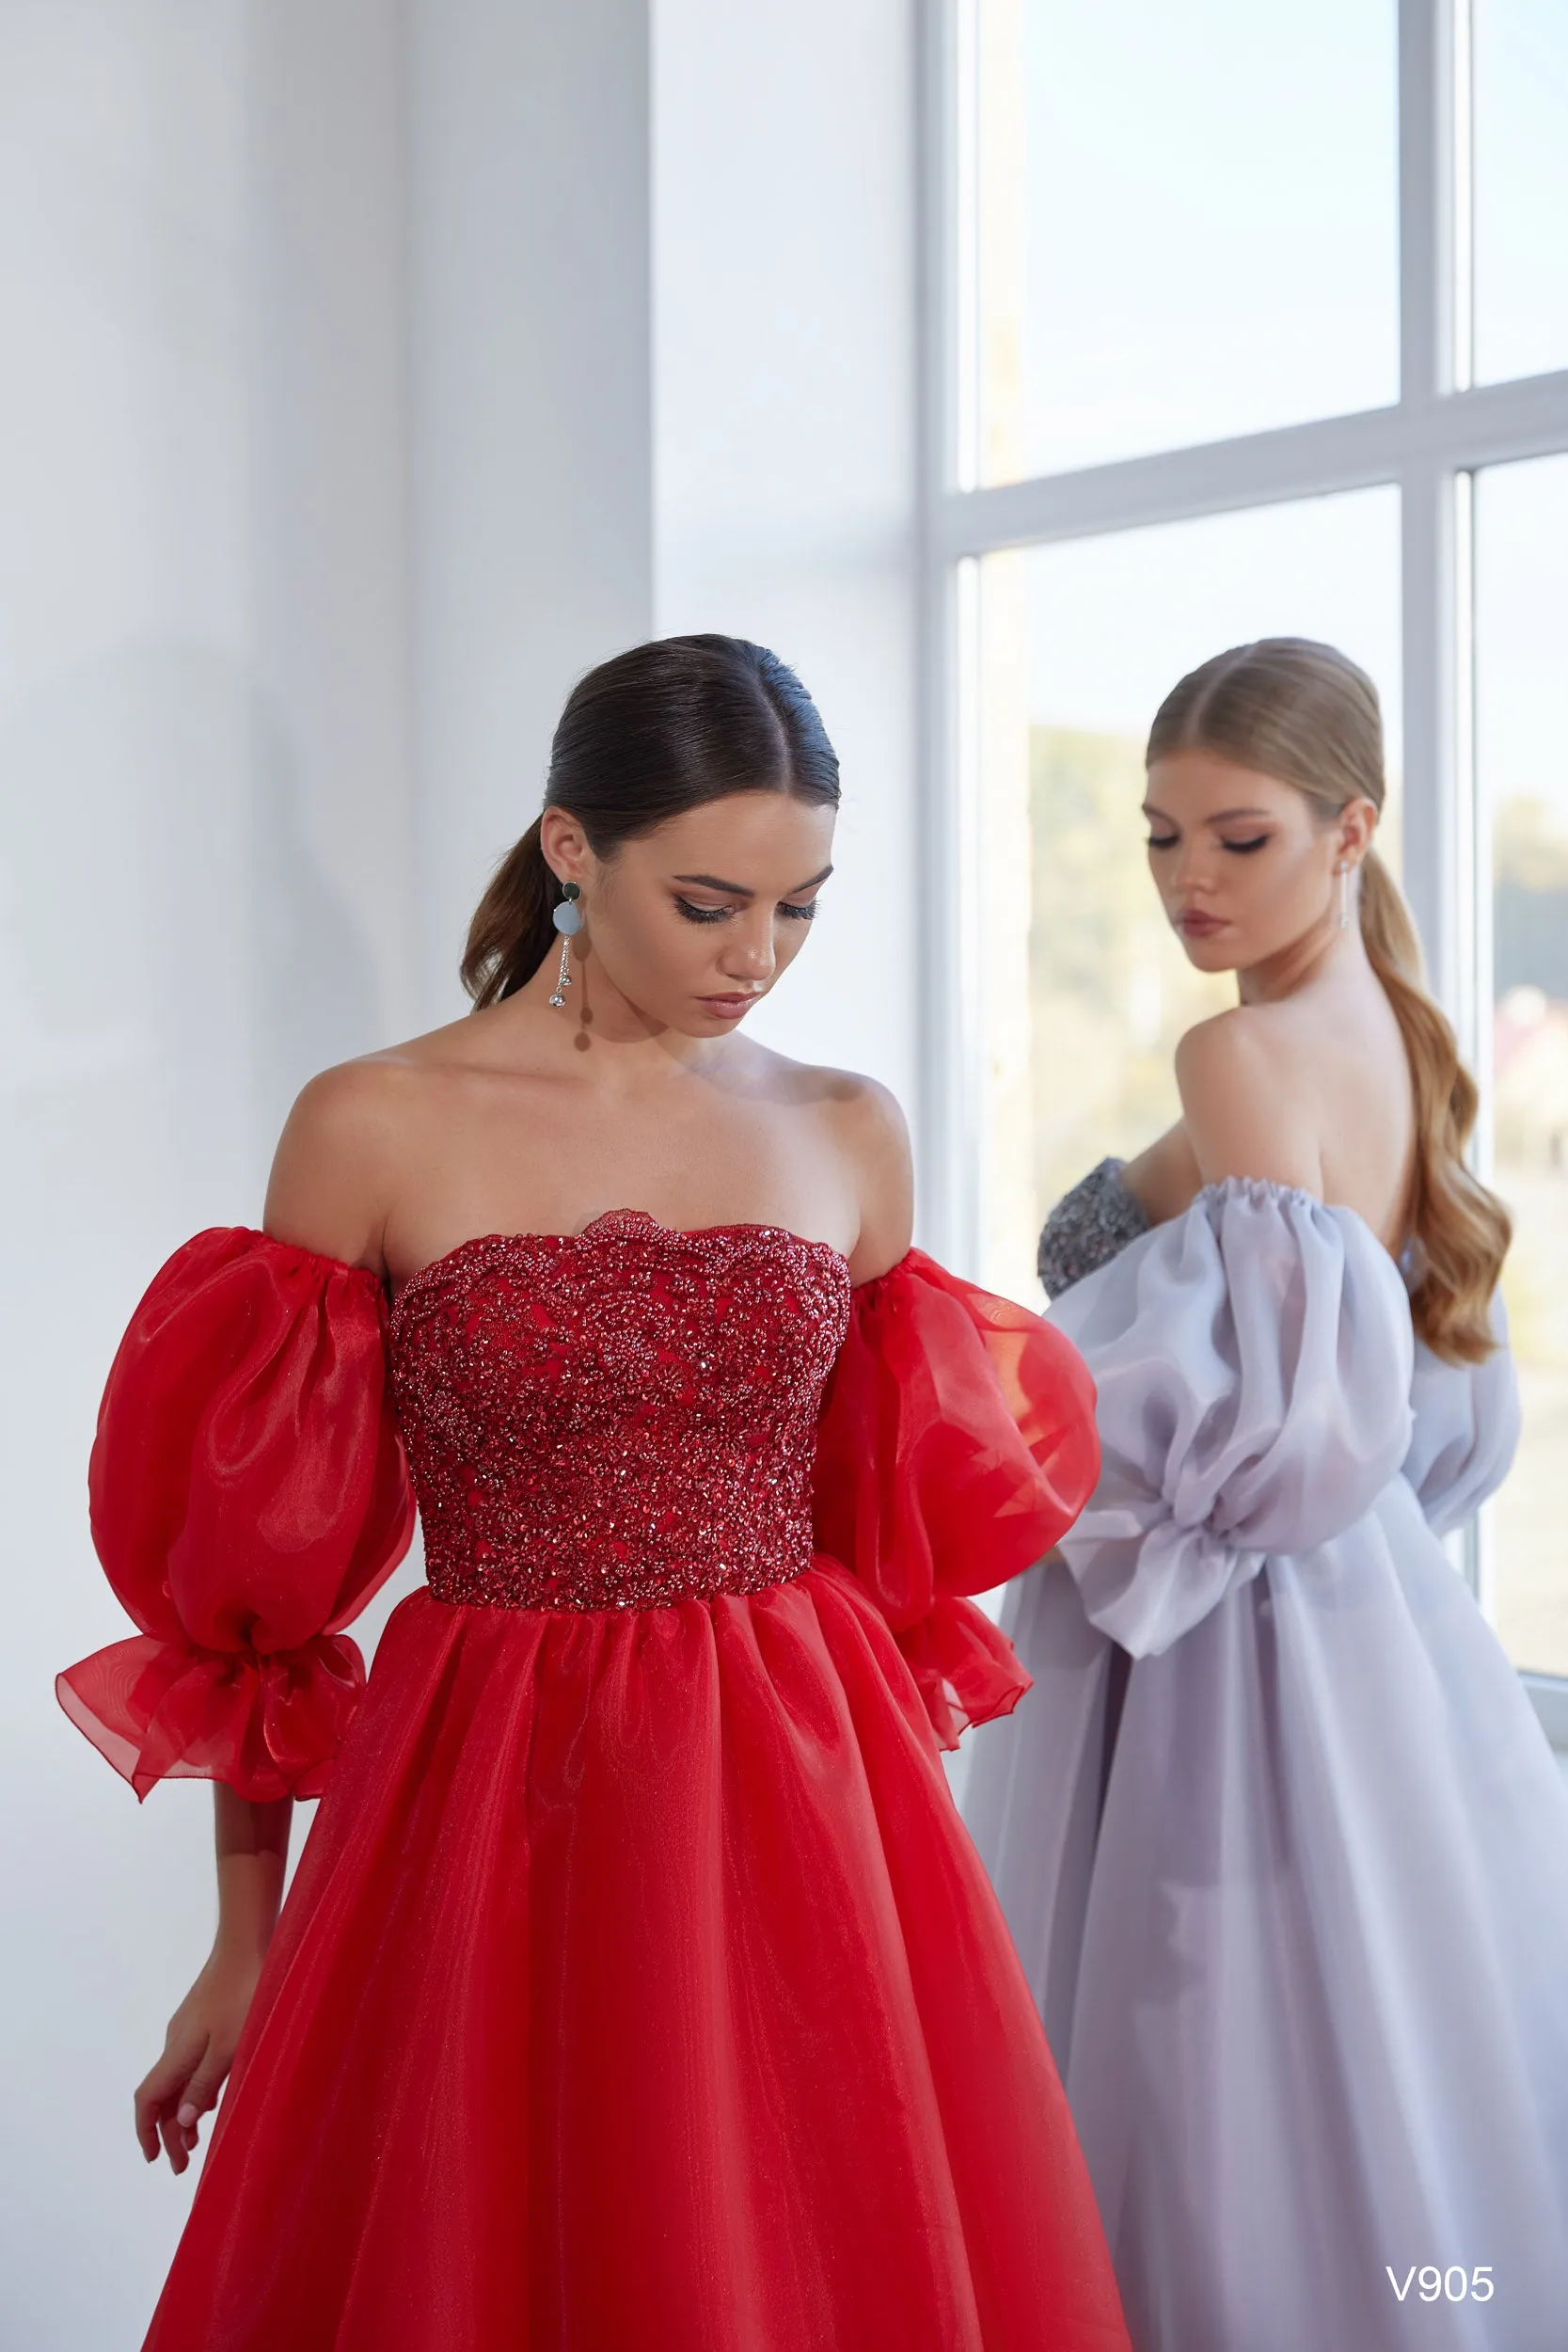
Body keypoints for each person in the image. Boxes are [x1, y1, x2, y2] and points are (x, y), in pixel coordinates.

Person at [59, 635, 1131, 2352]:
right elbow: (251, 1593)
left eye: (799, 909)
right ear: (572, 850)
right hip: (488, 1790)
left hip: (794, 1781)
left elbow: (890, 1528)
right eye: (710, 902)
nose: (755, 958)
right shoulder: (374, 1123)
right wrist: (242, 1939)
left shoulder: (848, 1127)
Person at [962, 636, 1568, 2352]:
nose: (1184, 881)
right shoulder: (1384, 1033)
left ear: (1346, 828)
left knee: (1195, 2054)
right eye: (1158, 836)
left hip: (1218, 1639)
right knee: (1353, 2059)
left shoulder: (1237, 1064)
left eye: (1234, 838)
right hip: (1370, 1625)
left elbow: (1235, 1426)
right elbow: (1389, 1400)